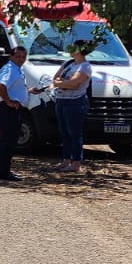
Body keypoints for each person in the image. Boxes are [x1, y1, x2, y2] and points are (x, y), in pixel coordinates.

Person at [50, 40, 93, 172]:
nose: (70, 48)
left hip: (75, 102)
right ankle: (66, 160)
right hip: (61, 100)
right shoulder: (68, 63)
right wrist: (64, 83)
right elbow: (55, 78)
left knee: (74, 133)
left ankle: (76, 162)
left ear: (80, 49)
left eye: (73, 46)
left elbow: (74, 84)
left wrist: (62, 83)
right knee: (64, 133)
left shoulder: (85, 67)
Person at [0, 46, 33, 181]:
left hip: (15, 109)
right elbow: (0, 85)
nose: (21, 59)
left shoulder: (16, 69)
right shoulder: (9, 69)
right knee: (7, 142)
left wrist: (29, 91)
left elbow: (15, 87)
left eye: (23, 57)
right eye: (18, 56)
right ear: (11, 56)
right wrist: (8, 101)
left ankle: (5, 170)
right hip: (9, 110)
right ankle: (3, 173)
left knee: (10, 142)